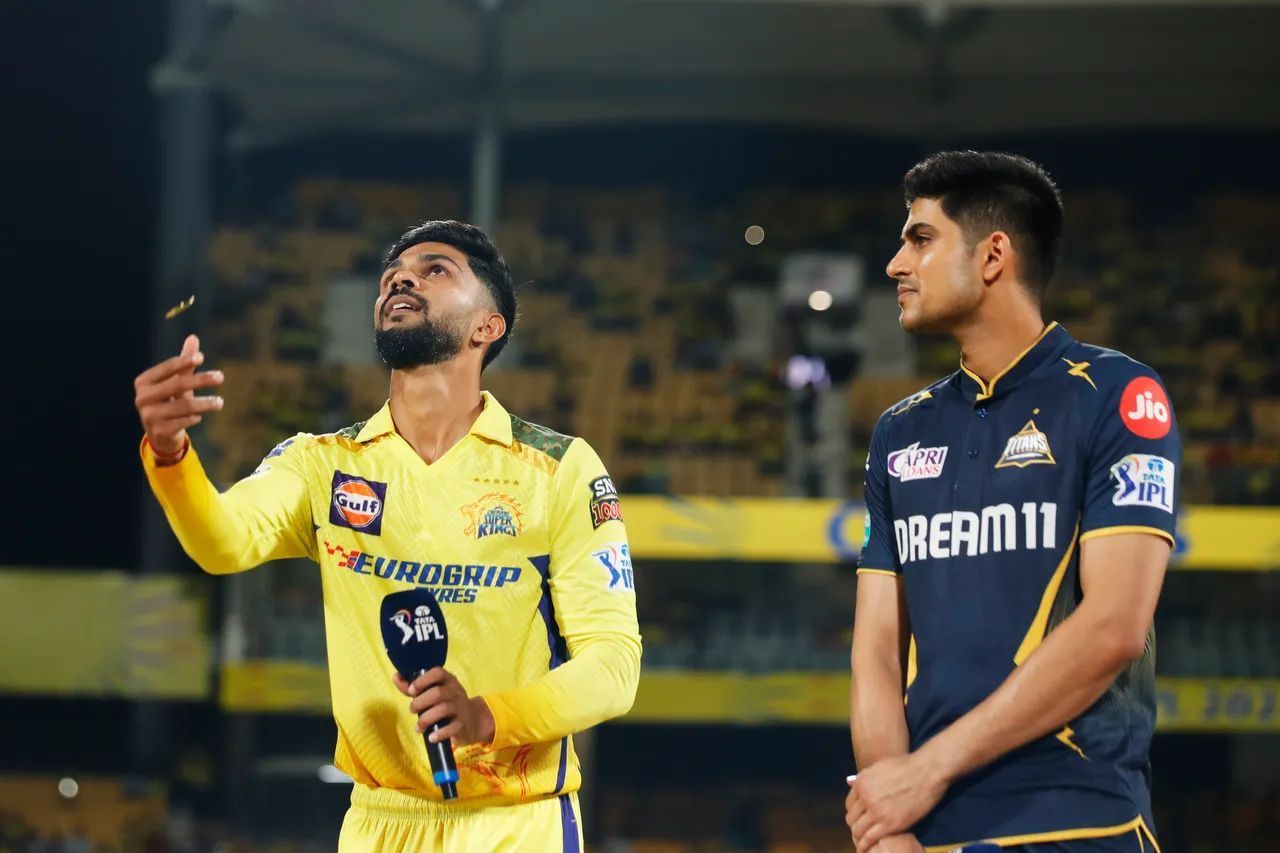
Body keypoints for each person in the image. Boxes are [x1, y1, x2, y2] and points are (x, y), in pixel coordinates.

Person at [134, 220, 641, 851]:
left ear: (489, 326)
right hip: (377, 823)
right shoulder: (323, 462)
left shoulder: (561, 469)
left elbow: (614, 668)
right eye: (393, 274)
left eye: (436, 270)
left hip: (515, 821)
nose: (401, 277)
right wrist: (170, 451)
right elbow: (223, 543)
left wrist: (488, 715)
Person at [845, 153, 1180, 852]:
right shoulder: (900, 431)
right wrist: (888, 823)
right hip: (926, 828)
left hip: (1081, 815)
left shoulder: (1119, 395)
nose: (895, 263)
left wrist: (925, 770)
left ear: (994, 254)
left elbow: (1115, 624)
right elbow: (876, 647)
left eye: (921, 238)